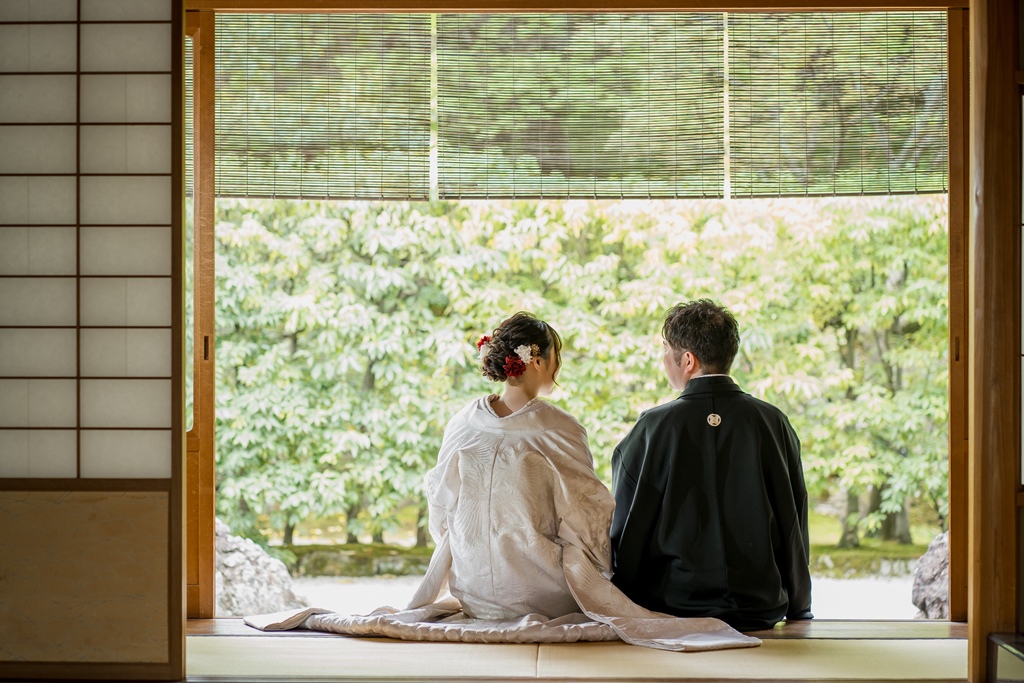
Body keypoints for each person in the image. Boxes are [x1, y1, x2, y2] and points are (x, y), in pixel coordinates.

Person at [247, 311, 758, 651]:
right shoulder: (559, 426)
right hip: (545, 594)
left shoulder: (461, 422)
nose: (558, 366)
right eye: (555, 355)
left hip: (474, 591)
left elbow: (441, 510)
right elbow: (589, 514)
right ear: (536, 359)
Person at [610, 299, 813, 632]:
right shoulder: (772, 422)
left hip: (674, 607)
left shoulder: (653, 427)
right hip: (759, 607)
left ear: (687, 359)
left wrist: (625, 606)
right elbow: (793, 520)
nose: (664, 361)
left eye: (666, 351)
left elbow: (629, 529)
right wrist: (800, 606)